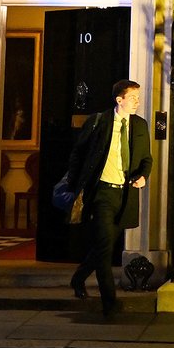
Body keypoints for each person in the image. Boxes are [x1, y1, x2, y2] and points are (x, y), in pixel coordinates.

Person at [64, 78, 152, 317]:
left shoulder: (140, 126)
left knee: (106, 245)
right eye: (132, 97)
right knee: (104, 245)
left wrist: (143, 176)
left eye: (138, 97)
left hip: (125, 195)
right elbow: (78, 154)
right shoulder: (98, 122)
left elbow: (146, 159)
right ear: (119, 99)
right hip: (102, 192)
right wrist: (75, 185)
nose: (137, 102)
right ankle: (110, 304)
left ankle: (79, 277)